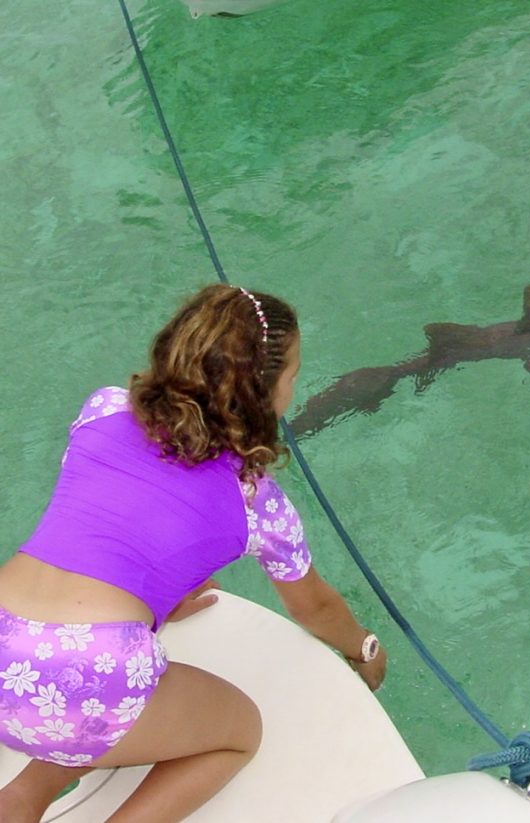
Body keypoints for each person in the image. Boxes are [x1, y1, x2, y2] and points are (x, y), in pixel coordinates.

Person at [0, 284, 386, 822]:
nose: (294, 390)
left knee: (70, 711)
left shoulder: (103, 408)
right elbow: (314, 607)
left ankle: (20, 798)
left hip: (4, 644)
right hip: (92, 668)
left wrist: (164, 594)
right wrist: (364, 648)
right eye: (292, 376)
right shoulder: (255, 501)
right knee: (237, 732)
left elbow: (115, 518)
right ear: (263, 392)